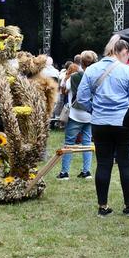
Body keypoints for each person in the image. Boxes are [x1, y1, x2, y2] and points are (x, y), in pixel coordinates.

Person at [76, 37, 129, 217]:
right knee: (127, 166)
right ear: (124, 52)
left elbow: (81, 98)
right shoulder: (128, 72)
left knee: (103, 165)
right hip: (124, 124)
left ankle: (103, 207)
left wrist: (95, 109)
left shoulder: (91, 70)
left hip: (99, 123)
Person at [57, 50, 97, 180]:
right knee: (87, 142)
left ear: (80, 62)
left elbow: (65, 87)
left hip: (75, 113)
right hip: (90, 113)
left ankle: (64, 172)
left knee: (69, 142)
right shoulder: (96, 76)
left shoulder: (74, 77)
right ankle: (86, 171)